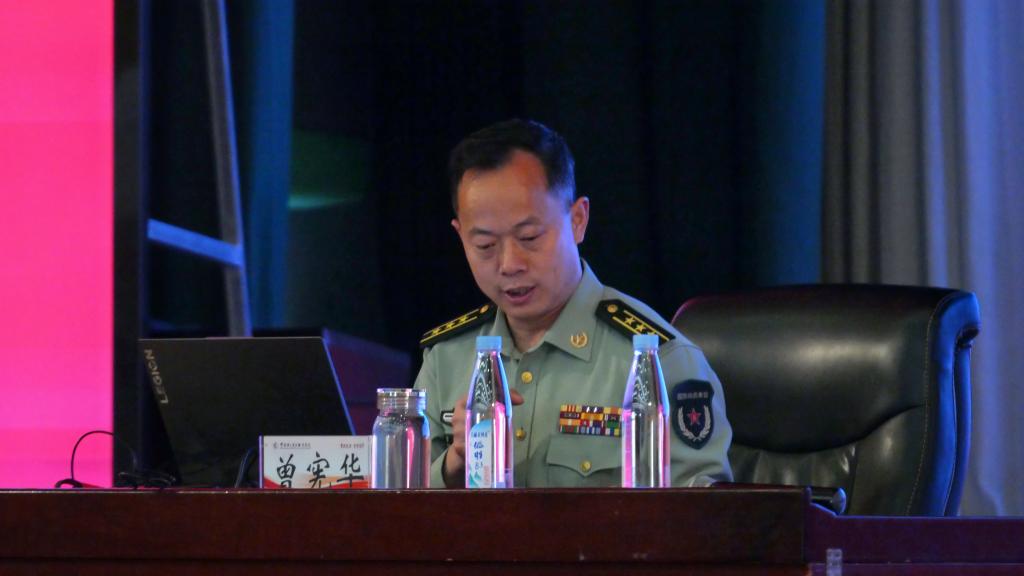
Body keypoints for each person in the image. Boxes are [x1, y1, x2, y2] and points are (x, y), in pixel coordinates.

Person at [414, 119, 733, 488]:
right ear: (460, 237)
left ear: (578, 220)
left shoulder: (658, 361)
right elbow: (398, 508)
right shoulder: (446, 358)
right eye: (485, 245)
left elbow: (704, 513)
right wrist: (455, 464)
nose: (509, 264)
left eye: (529, 237)